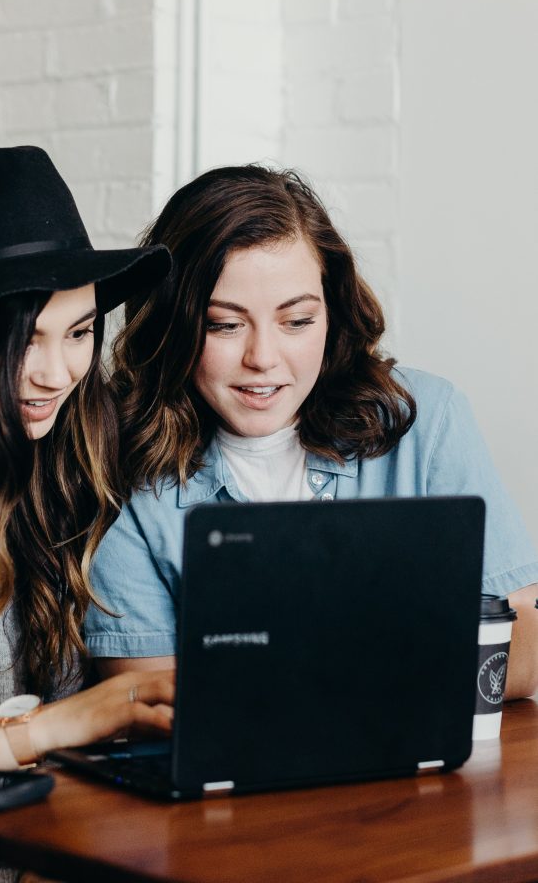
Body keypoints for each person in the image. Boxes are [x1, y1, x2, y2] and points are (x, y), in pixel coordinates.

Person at [84, 164, 538, 701]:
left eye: (297, 321)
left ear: (332, 311)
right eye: (224, 325)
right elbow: (144, 700)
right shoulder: (120, 461)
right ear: (173, 326)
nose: (263, 358)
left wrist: (300, 675)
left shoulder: (423, 419)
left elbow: (523, 649)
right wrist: (396, 656)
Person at [0, 145, 174, 773]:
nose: (55, 374)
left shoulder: (66, 474)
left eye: (79, 333)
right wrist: (77, 717)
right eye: (24, 339)